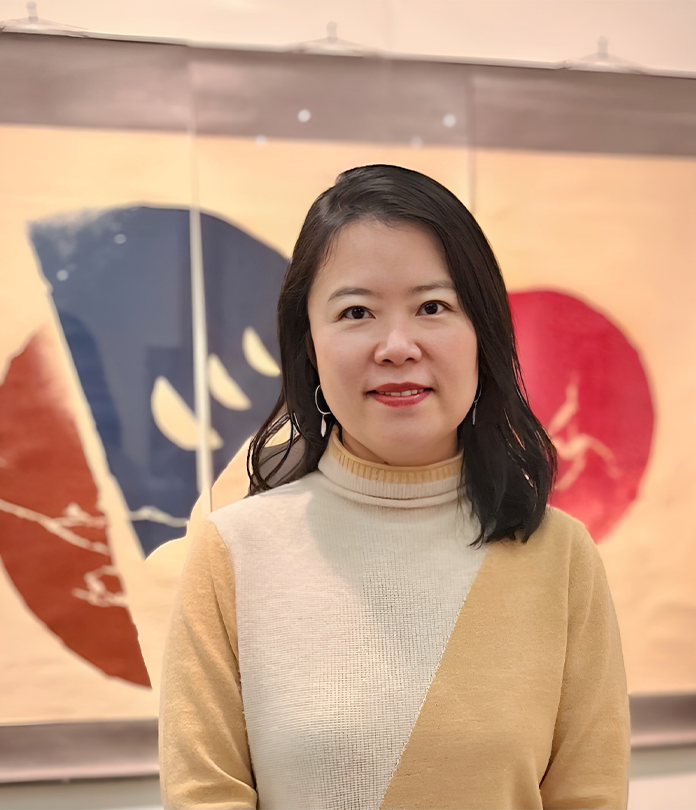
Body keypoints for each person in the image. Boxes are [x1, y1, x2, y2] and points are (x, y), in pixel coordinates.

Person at [158, 164, 630, 809]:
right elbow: (204, 798)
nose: (397, 344)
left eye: (432, 307)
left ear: (481, 336)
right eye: (356, 311)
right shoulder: (231, 553)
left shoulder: (562, 556)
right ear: (309, 346)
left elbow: (590, 797)